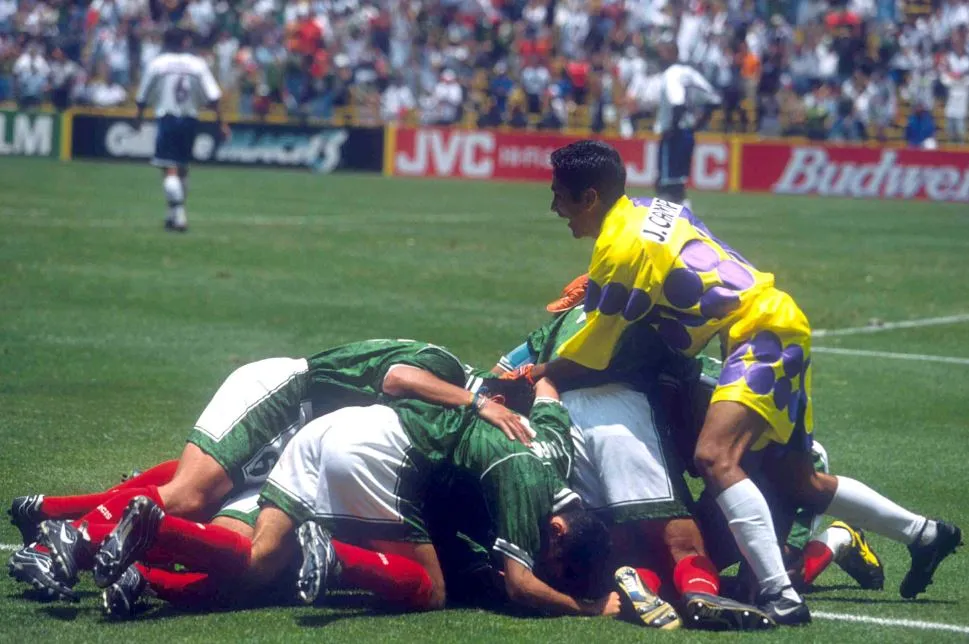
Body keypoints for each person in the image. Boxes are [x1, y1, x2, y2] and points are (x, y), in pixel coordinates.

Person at [526, 139, 961, 625]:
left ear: (588, 198)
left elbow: (597, 347)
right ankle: (926, 534)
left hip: (759, 335)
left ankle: (782, 597)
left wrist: (543, 373)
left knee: (715, 457)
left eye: (559, 195)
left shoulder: (620, 245)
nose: (554, 208)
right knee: (800, 481)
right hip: (776, 322)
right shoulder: (652, 208)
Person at [11, 339, 531, 599]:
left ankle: (136, 571)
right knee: (192, 492)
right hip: (284, 400)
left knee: (250, 567)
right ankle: (69, 536)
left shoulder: (460, 443)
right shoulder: (445, 370)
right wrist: (475, 400)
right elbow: (394, 376)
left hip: (303, 455)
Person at [495, 284, 774, 631]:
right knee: (682, 543)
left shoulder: (555, 325)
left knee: (623, 547)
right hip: (623, 413)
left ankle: (638, 583)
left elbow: (500, 373)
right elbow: (693, 376)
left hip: (564, 420)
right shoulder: (644, 312)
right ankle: (700, 593)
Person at [134, 27, 227, 232]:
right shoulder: (198, 65)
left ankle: (179, 215)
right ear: (185, 42)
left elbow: (141, 97)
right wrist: (221, 123)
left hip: (167, 118)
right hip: (190, 119)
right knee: (182, 168)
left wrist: (138, 119)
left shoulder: (157, 64)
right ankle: (172, 214)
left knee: (169, 169)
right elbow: (214, 97)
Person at [653, 38, 720, 210]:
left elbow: (678, 102)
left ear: (672, 54)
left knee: (666, 186)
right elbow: (714, 100)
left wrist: (673, 128)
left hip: (674, 134)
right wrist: (698, 124)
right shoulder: (690, 73)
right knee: (678, 184)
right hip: (688, 133)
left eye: (663, 52)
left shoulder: (671, 74)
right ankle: (685, 219)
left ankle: (671, 227)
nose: (660, 56)